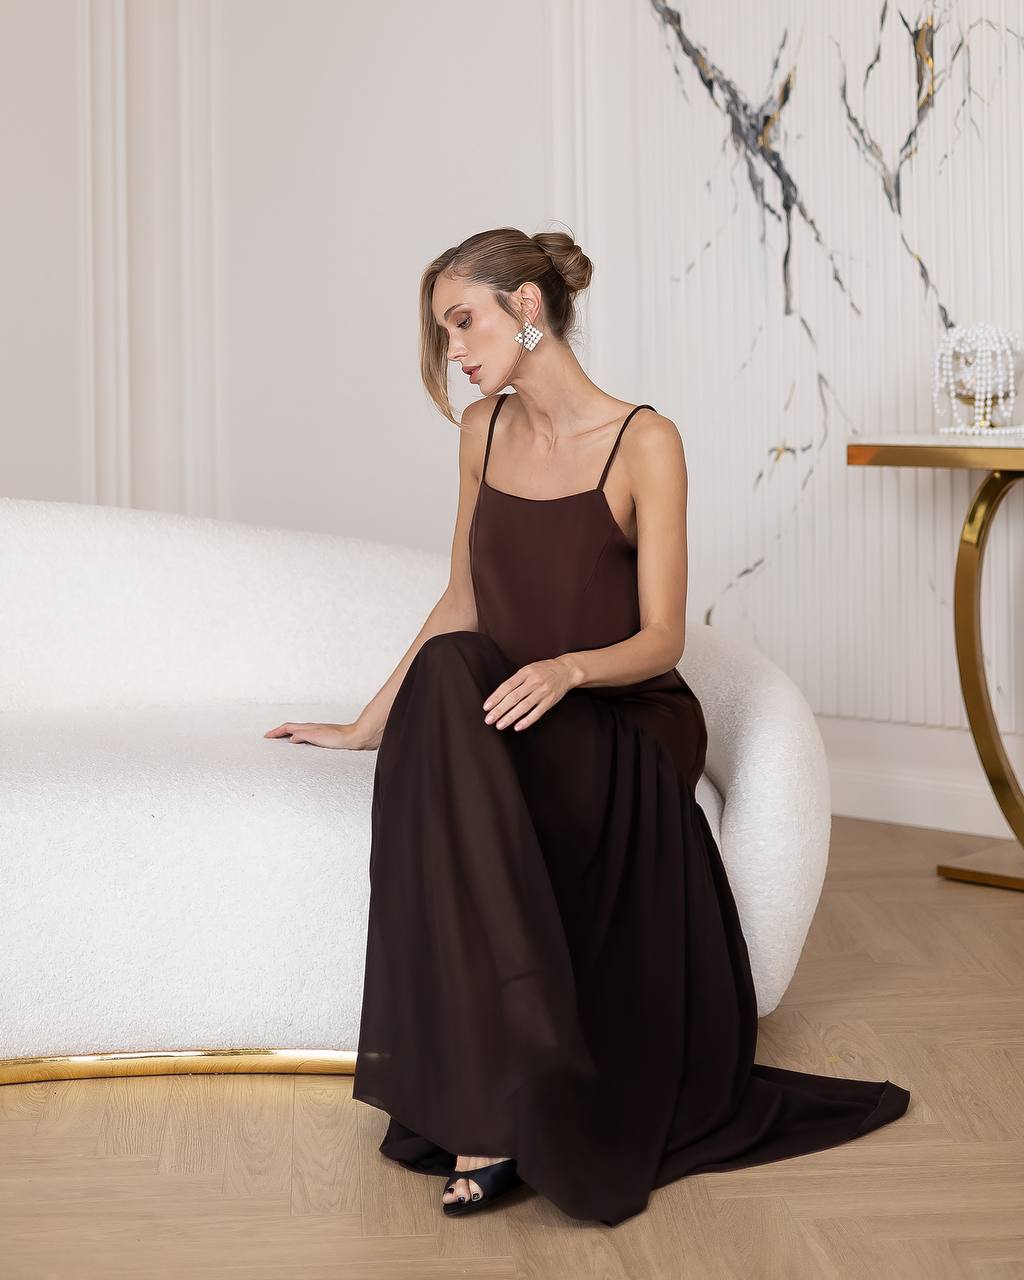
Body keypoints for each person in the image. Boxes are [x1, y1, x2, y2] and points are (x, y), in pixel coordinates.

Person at [265, 226, 911, 1226]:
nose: (454, 351)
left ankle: (502, 1098)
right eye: (442, 332)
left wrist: (567, 667)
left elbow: (661, 638)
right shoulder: (480, 432)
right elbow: (461, 604)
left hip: (622, 726)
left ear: (527, 306)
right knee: (446, 681)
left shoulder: (642, 440)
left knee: (461, 707)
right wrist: (362, 729)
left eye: (463, 321)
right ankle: (506, 1080)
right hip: (509, 719)